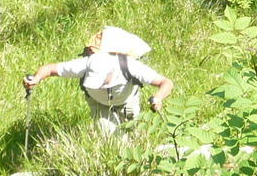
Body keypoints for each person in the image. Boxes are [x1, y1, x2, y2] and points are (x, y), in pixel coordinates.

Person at [23, 38, 173, 138]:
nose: (99, 85)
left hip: (127, 102)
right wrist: (36, 78)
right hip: (99, 103)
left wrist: (158, 97)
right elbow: (50, 69)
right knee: (111, 138)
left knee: (133, 134)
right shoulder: (84, 64)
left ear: (111, 73)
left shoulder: (130, 65)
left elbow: (166, 82)